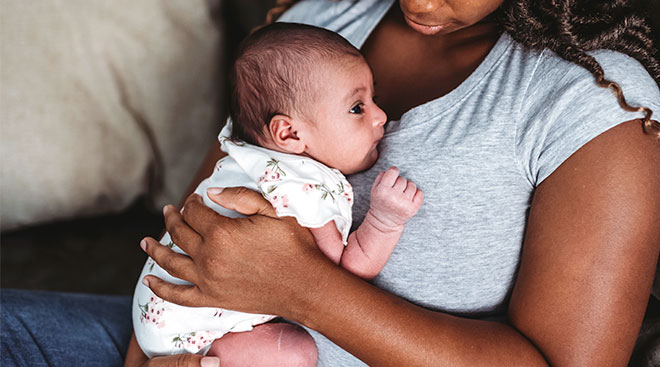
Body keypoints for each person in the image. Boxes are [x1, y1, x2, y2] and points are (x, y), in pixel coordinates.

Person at [2, 0, 659, 366]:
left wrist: (300, 284)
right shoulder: (321, 20)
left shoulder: (598, 103)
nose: (420, 3)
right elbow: (199, 229)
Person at [128, 22, 423, 364]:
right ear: (289, 133)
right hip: (192, 340)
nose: (381, 116)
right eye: (358, 108)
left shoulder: (244, 156)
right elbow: (346, 273)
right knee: (295, 352)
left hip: (155, 312)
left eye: (374, 99)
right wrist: (385, 219)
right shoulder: (301, 190)